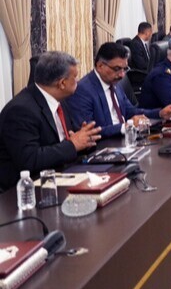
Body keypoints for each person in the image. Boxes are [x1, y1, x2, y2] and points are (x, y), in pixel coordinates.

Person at [0, 52, 101, 191]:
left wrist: (84, 140)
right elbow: (29, 160)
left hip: (59, 175)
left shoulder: (59, 100)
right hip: (24, 191)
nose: (77, 81)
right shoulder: (20, 110)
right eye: (75, 77)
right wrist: (73, 145)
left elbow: (66, 138)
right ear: (62, 83)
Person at [64, 43, 171, 138]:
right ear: (100, 66)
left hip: (127, 140)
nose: (122, 75)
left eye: (125, 69)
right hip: (105, 147)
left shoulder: (114, 82)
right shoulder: (82, 91)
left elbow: (130, 111)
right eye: (117, 69)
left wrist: (159, 113)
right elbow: (88, 132)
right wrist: (125, 127)